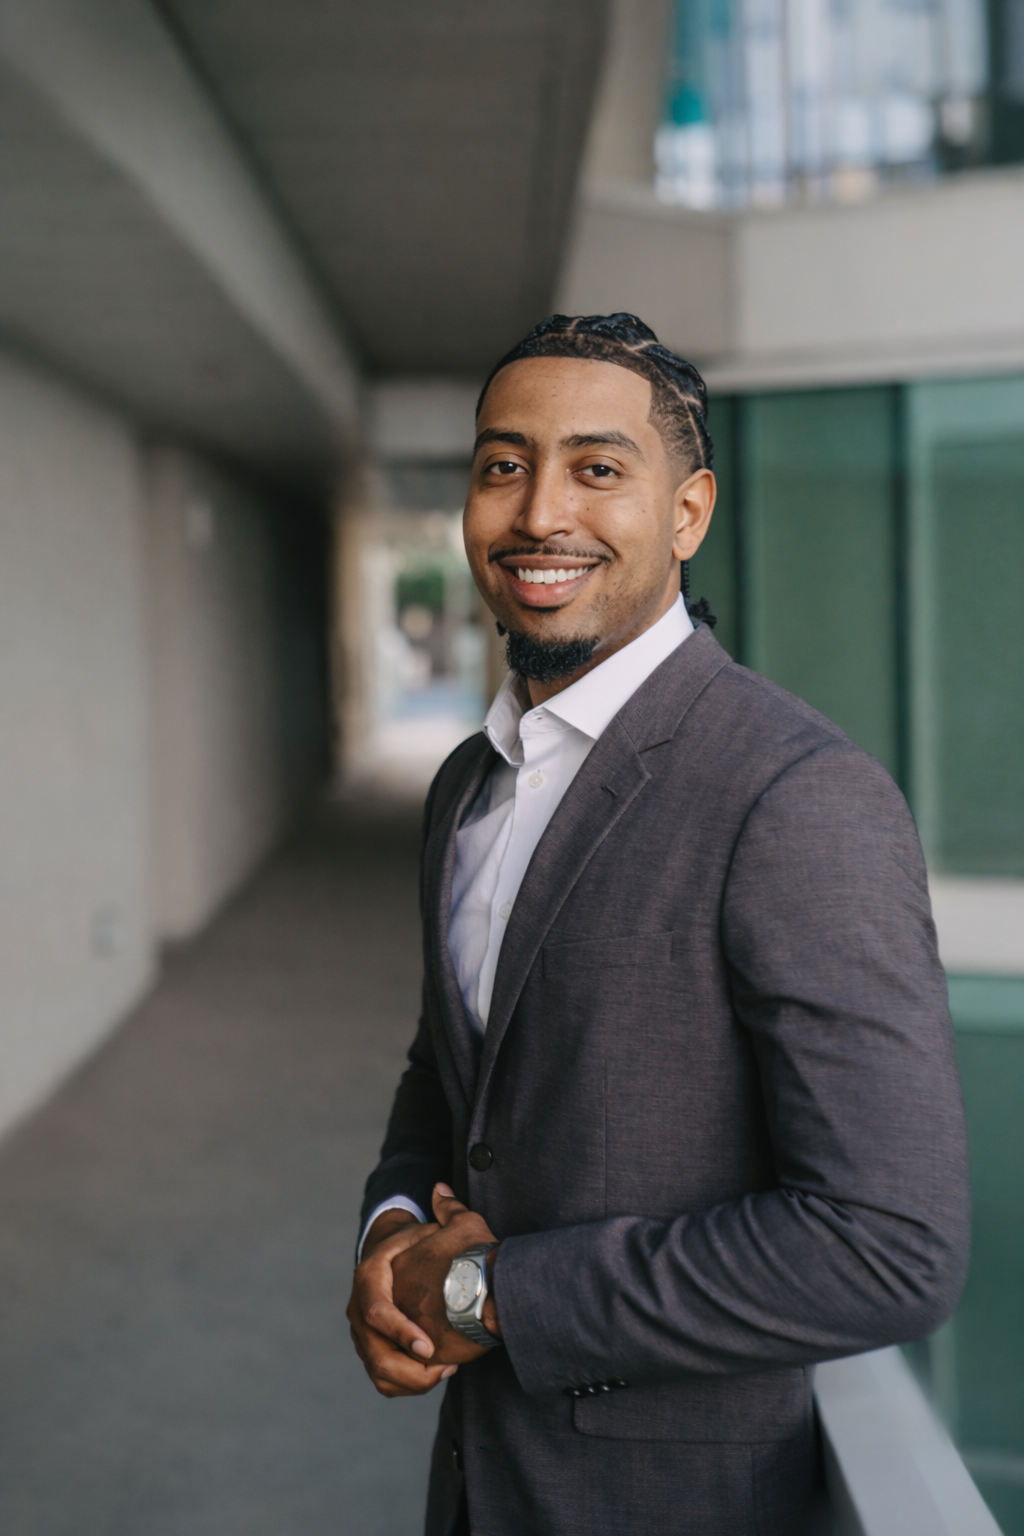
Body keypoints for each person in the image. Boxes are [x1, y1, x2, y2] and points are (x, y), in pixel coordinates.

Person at [347, 312, 969, 1535]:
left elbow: (888, 1246)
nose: (537, 514)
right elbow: (452, 1072)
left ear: (687, 513)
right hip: (480, 1490)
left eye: (595, 468)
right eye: (502, 465)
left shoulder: (794, 796)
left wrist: (481, 1294)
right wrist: (390, 1236)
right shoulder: (465, 783)